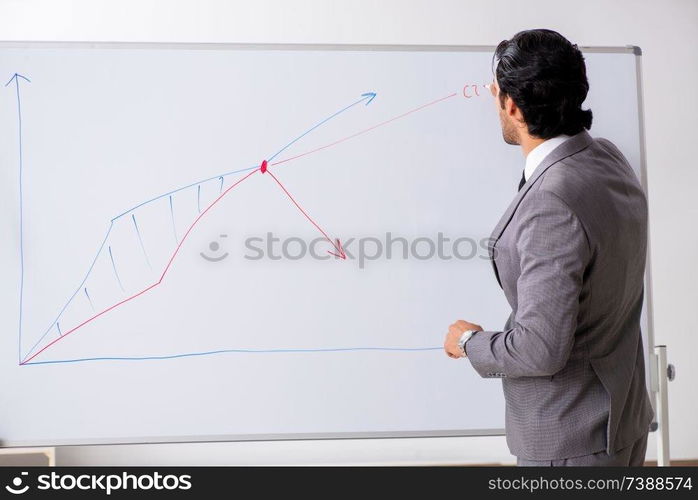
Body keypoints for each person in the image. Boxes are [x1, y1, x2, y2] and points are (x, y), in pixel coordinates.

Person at [443, 29, 654, 466]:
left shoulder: (551, 203)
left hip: (572, 442)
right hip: (621, 420)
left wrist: (469, 342)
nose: (491, 97)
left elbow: (539, 348)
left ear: (513, 107)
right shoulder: (607, 157)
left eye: (495, 90)